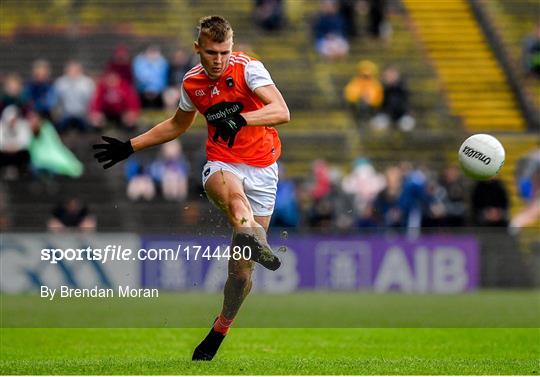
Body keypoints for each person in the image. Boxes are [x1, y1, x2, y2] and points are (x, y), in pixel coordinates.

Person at [93, 15, 290, 360]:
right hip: (222, 163)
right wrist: (130, 146)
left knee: (241, 276)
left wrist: (240, 118)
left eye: (224, 52)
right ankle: (254, 237)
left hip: (263, 169)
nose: (218, 60)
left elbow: (281, 110)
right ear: (198, 48)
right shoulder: (192, 83)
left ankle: (221, 326)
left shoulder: (249, 69)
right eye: (212, 52)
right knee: (236, 206)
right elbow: (177, 124)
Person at [54, 60, 95, 133]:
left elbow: (91, 100)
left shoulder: (87, 82)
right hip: (66, 114)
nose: (73, 72)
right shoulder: (60, 83)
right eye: (70, 70)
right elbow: (57, 101)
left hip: (82, 114)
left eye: (75, 70)